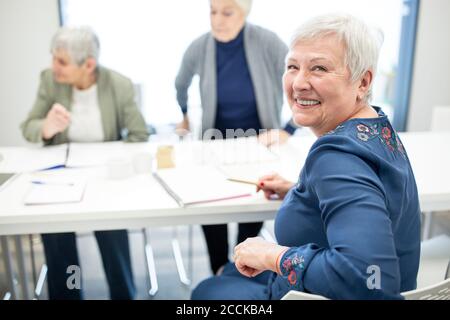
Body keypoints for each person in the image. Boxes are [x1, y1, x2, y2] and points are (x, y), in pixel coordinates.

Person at [192, 13, 421, 300]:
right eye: (292, 66)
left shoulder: (336, 159)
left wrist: (273, 256)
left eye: (319, 68)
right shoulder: (376, 126)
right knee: (230, 271)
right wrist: (304, 191)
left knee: (207, 290)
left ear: (363, 82)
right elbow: (370, 191)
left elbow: (371, 281)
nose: (299, 83)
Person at [21, 26, 149, 299]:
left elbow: (139, 136)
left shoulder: (119, 84)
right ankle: (69, 294)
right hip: (60, 177)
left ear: (88, 64)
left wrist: (117, 158)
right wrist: (46, 127)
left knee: (112, 233)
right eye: (54, 58)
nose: (54, 66)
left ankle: (123, 294)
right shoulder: (50, 80)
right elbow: (28, 126)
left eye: (62, 62)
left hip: (105, 179)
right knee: (56, 237)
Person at [175, 0, 297, 275]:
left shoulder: (266, 40)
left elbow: (297, 78)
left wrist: (289, 128)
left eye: (227, 12)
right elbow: (180, 82)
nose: (218, 19)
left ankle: (243, 268)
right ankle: (219, 269)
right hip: (215, 140)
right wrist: (184, 114)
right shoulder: (200, 46)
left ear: (244, 13)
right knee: (211, 206)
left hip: (258, 142)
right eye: (212, 11)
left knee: (251, 204)